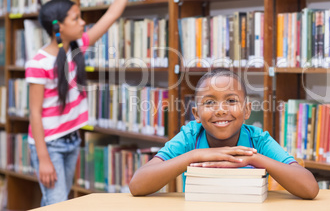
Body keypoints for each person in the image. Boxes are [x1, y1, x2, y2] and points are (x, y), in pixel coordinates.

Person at [25, 0, 147, 206]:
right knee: (56, 203)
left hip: (72, 139)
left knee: (62, 201)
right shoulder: (38, 63)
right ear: (58, 27)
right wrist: (44, 158)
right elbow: (35, 114)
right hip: (50, 145)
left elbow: (111, 15)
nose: (83, 23)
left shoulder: (77, 47)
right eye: (76, 18)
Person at [129, 68, 319, 200]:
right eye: (209, 103)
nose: (220, 110)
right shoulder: (190, 137)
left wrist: (253, 159)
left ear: (247, 111)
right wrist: (193, 155)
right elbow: (137, 185)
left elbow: (310, 188)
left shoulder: (258, 140)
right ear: (196, 114)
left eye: (231, 101)